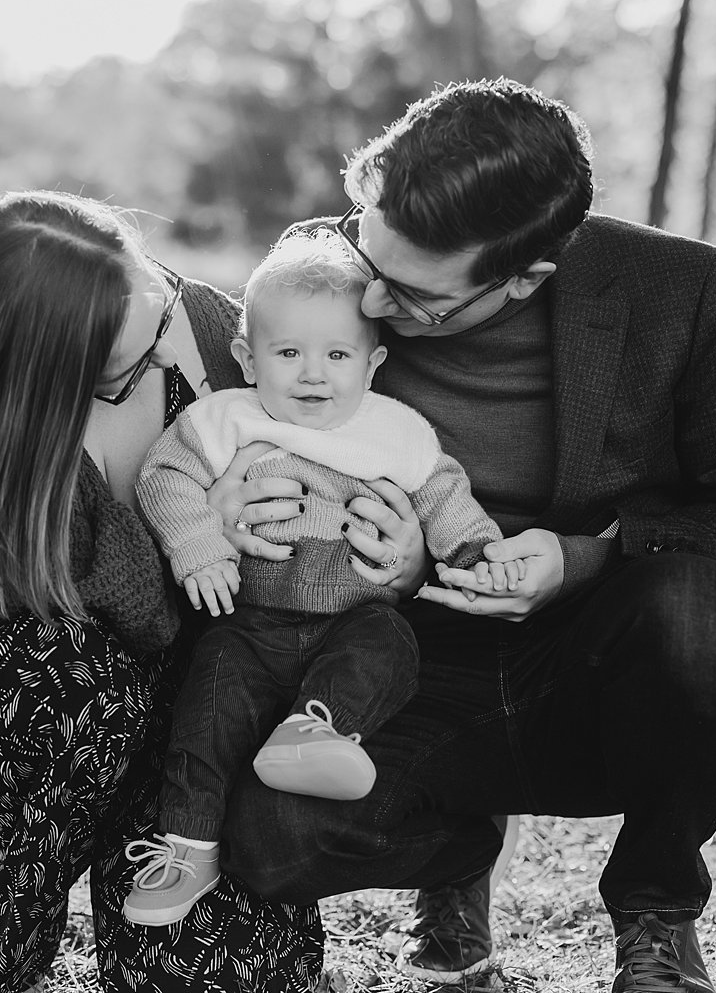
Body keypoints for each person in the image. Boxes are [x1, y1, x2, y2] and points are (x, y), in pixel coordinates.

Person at [211, 78, 716, 992]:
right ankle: (455, 856)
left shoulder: (684, 292)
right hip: (400, 661)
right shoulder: (326, 275)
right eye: (365, 253)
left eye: (413, 297)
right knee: (272, 840)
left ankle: (657, 912)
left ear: (525, 277)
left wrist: (588, 561)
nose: (368, 303)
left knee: (707, 615)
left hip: (593, 662)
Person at [0, 189, 328, 992]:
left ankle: (156, 875)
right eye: (118, 377)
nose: (159, 359)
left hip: (196, 728)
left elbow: (292, 562)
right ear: (36, 382)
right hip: (31, 721)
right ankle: (18, 927)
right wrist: (186, 532)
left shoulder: (223, 333)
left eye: (157, 322)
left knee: (216, 977)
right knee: (75, 670)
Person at [120, 232, 516, 928]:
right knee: (206, 708)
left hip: (350, 618)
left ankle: (318, 732)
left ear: (373, 363)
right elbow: (166, 480)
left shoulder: (394, 432)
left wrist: (476, 553)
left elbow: (443, 496)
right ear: (247, 357)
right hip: (250, 623)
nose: (313, 375)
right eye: (288, 353)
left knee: (386, 645)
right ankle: (188, 844)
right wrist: (200, 546)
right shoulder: (225, 420)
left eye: (338, 355)